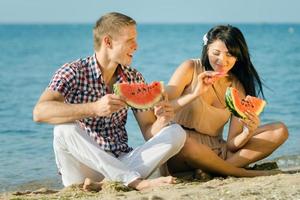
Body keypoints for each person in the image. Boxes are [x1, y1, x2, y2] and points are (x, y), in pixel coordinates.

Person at [33, 12, 186, 191]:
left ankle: (106, 184)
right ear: (108, 42)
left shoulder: (133, 77)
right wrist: (94, 108)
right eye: (130, 40)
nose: (136, 46)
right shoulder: (72, 72)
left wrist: (161, 121)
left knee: (176, 132)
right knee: (63, 129)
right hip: (81, 168)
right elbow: (40, 112)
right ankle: (134, 181)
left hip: (122, 161)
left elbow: (148, 131)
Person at [166, 25, 288, 177]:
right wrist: (194, 94)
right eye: (216, 53)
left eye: (230, 54)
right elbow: (161, 109)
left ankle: (214, 170)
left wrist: (247, 132)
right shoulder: (190, 68)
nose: (222, 60)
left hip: (217, 150)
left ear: (238, 56)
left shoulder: (237, 86)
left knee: (280, 130)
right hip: (182, 146)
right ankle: (223, 170)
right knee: (188, 147)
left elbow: (232, 144)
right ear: (207, 50)